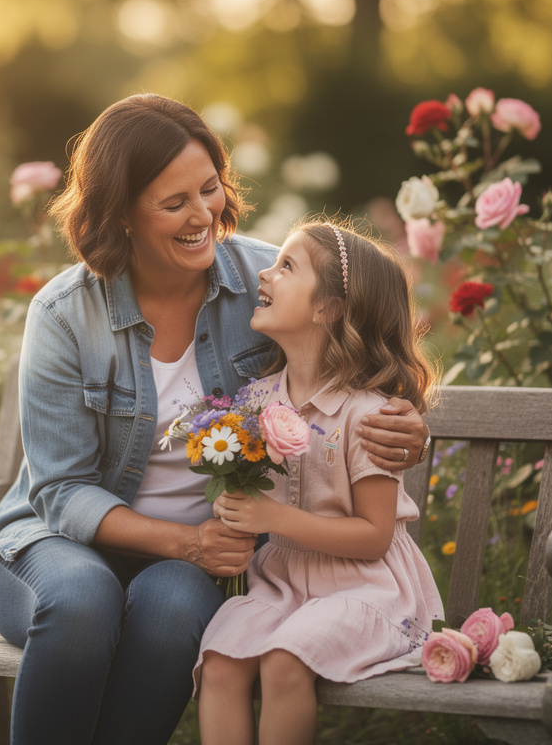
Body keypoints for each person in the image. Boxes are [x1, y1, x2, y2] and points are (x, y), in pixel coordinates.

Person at [0, 94, 431, 745]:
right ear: (121, 214)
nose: (202, 217)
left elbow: (363, 349)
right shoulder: (65, 315)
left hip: (189, 565)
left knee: (171, 612)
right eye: (174, 203)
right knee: (83, 603)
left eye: (210, 189)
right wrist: (187, 542)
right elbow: (62, 492)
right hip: (57, 545)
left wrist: (406, 422)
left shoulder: (267, 283)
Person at [195, 220, 444, 745]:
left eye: (287, 266)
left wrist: (272, 517)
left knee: (284, 662)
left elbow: (374, 536)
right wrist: (231, 504)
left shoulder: (368, 415)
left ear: (328, 307)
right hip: (283, 584)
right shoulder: (256, 401)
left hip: (366, 588)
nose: (266, 274)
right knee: (219, 662)